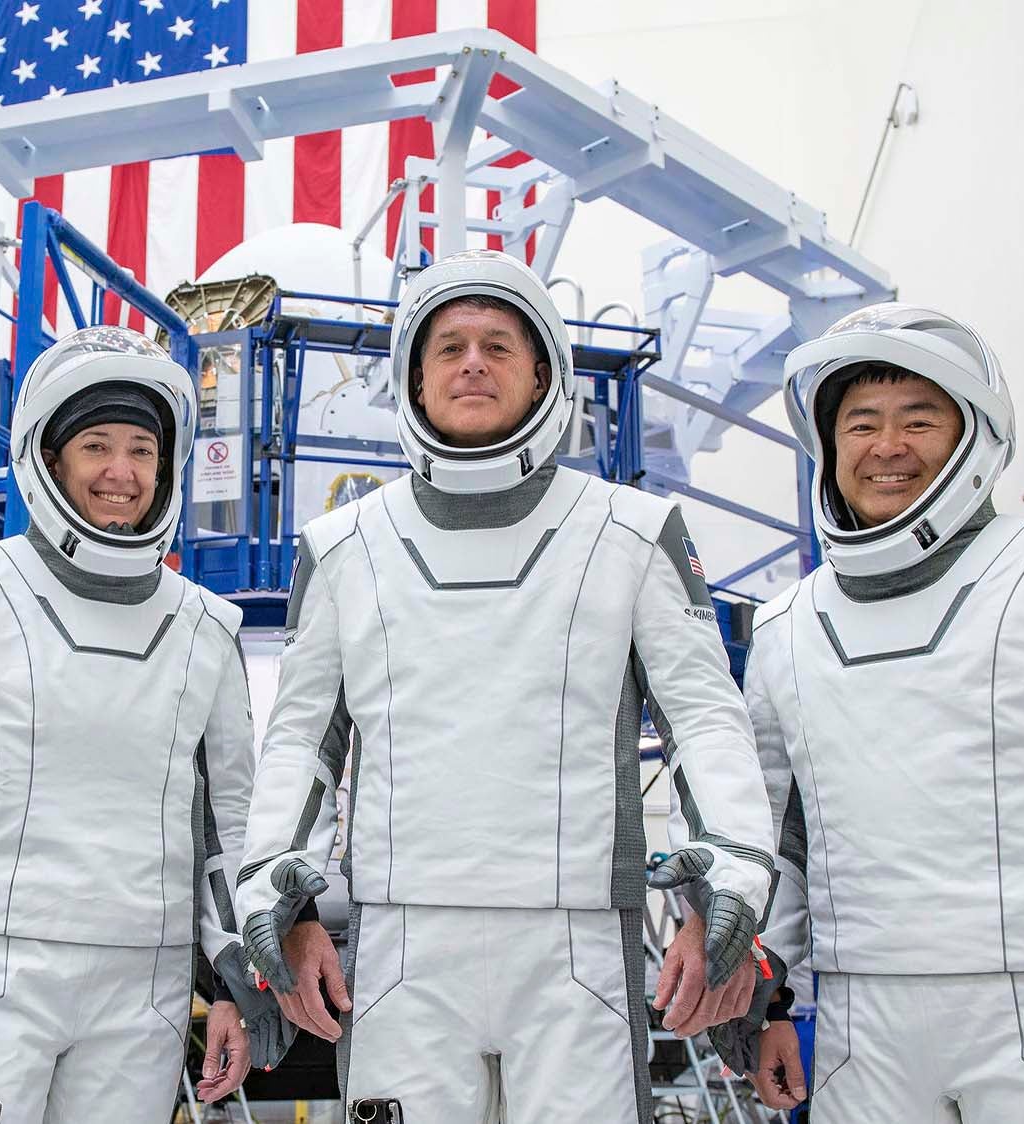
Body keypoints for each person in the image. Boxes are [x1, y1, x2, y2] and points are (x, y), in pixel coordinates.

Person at [234, 250, 777, 1120]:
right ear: (415, 380)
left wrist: (730, 879)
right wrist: (279, 895)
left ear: (543, 375)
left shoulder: (634, 533)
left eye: (498, 346)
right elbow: (301, 740)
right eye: (449, 348)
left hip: (578, 945)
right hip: (402, 947)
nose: (473, 364)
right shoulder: (341, 548)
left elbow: (706, 721)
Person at [691, 303, 1024, 1121]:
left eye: (919, 420)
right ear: (828, 447)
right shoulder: (785, 625)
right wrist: (769, 997)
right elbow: (771, 831)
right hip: (857, 1029)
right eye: (861, 423)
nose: (887, 446)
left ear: (975, 437)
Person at [0, 326, 288, 1124]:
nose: (122, 472)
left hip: (144, 992)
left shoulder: (208, 627)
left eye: (143, 451)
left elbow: (229, 822)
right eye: (95, 446)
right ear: (49, 461)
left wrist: (233, 972)